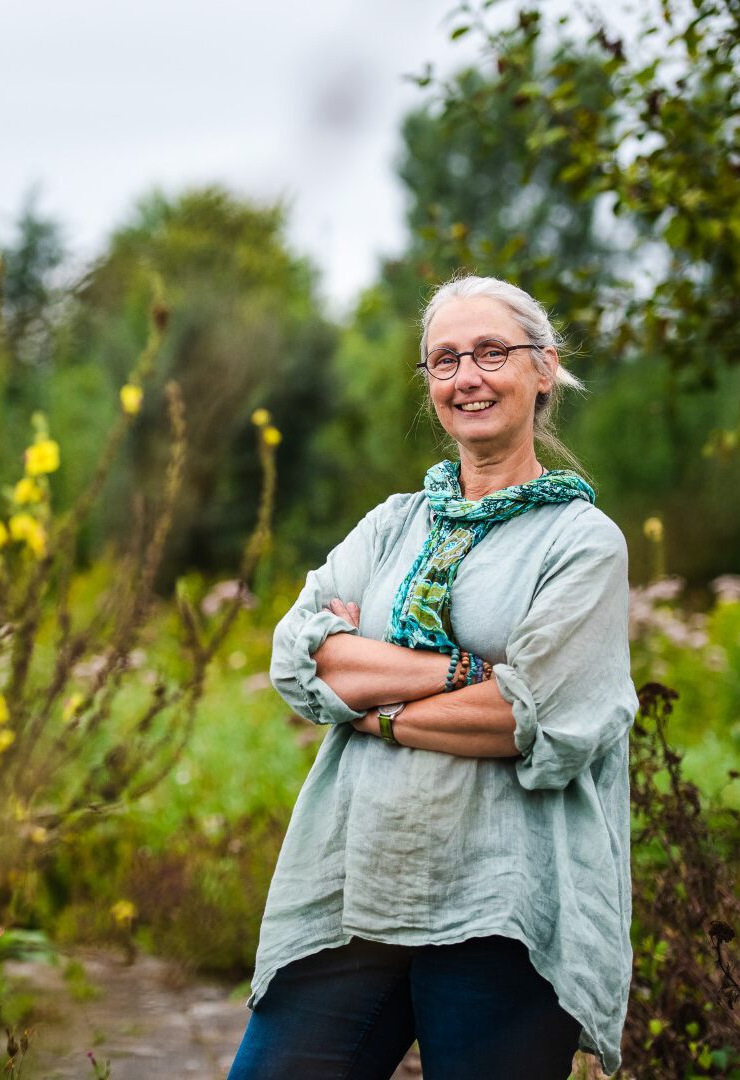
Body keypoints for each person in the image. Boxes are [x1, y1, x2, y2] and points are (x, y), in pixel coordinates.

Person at [228, 275, 638, 1080]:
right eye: (444, 361)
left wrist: (371, 709)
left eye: (491, 352)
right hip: (353, 888)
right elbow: (301, 655)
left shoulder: (582, 543)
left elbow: (529, 716)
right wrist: (459, 670)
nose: (467, 377)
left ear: (544, 368)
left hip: (503, 905)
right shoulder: (391, 525)